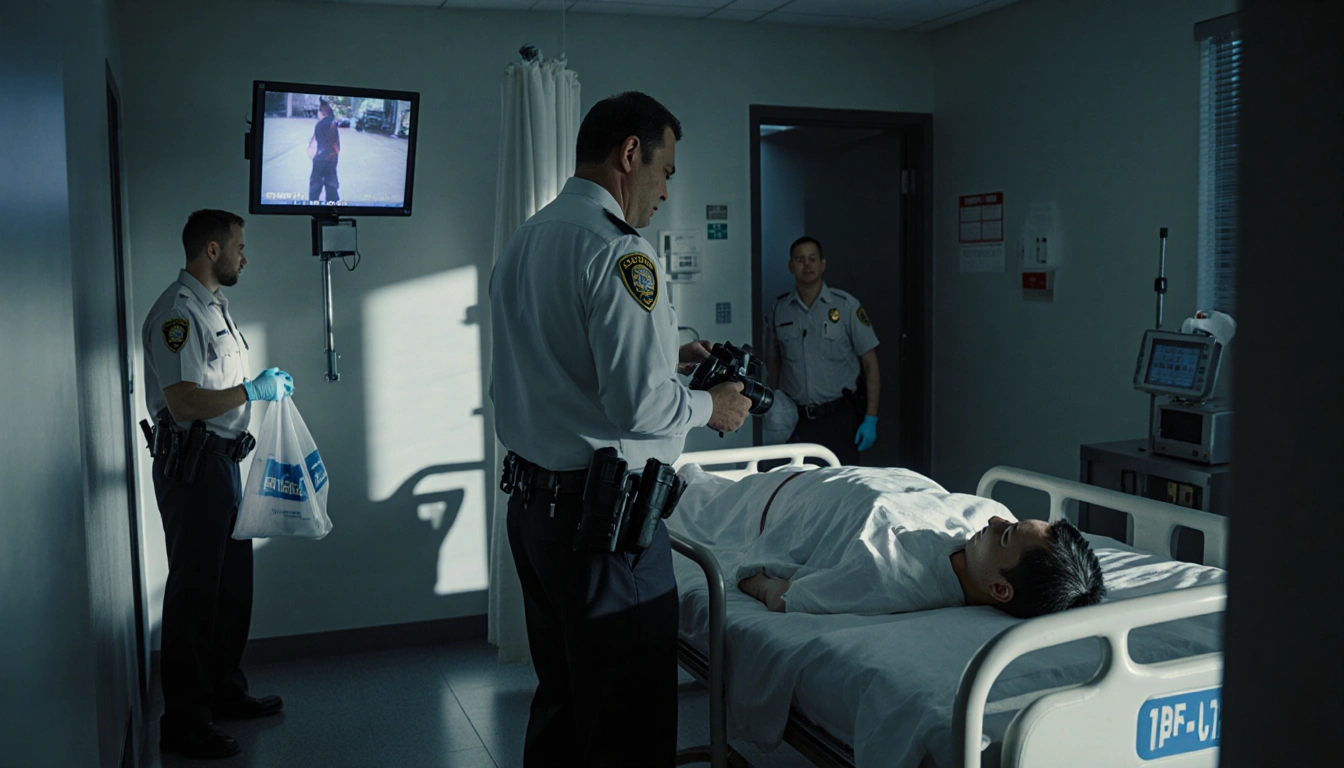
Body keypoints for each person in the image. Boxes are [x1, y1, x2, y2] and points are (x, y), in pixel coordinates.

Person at [490, 91, 753, 768]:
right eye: (666, 171)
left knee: (565, 698)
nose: (666, 190)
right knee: (628, 720)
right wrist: (709, 408)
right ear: (629, 155)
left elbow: (562, 367)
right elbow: (638, 407)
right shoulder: (620, 254)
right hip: (604, 529)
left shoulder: (528, 239)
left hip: (535, 515)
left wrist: (669, 359)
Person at [143, 209, 295, 759]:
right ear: (211, 250)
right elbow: (183, 401)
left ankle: (225, 693)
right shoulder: (177, 314)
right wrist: (252, 391)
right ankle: (184, 722)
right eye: (238, 247)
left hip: (223, 463)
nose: (243, 257)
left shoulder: (214, 310)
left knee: (231, 591)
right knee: (194, 596)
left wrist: (254, 392)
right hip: (194, 466)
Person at [671, 465, 1105, 618]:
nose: (994, 518)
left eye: (1005, 533)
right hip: (827, 478)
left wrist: (755, 580)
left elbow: (786, 598)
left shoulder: (891, 577)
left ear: (1000, 590)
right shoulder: (985, 534)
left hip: (777, 506)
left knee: (686, 496)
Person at [764, 236, 880, 465]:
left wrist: (871, 418)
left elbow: (870, 364)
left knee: (841, 490)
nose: (806, 264)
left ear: (823, 264)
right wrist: (776, 402)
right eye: (799, 259)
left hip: (838, 418)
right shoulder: (779, 310)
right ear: (790, 266)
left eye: (812, 258)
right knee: (797, 490)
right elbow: (772, 358)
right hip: (796, 420)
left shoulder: (846, 306)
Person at [308, 99, 340, 203]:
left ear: (322, 112)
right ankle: (332, 207)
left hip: (319, 159)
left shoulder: (319, 125)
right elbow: (337, 146)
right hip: (331, 159)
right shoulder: (333, 125)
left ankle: (313, 206)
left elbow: (314, 144)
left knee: (315, 185)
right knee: (331, 186)